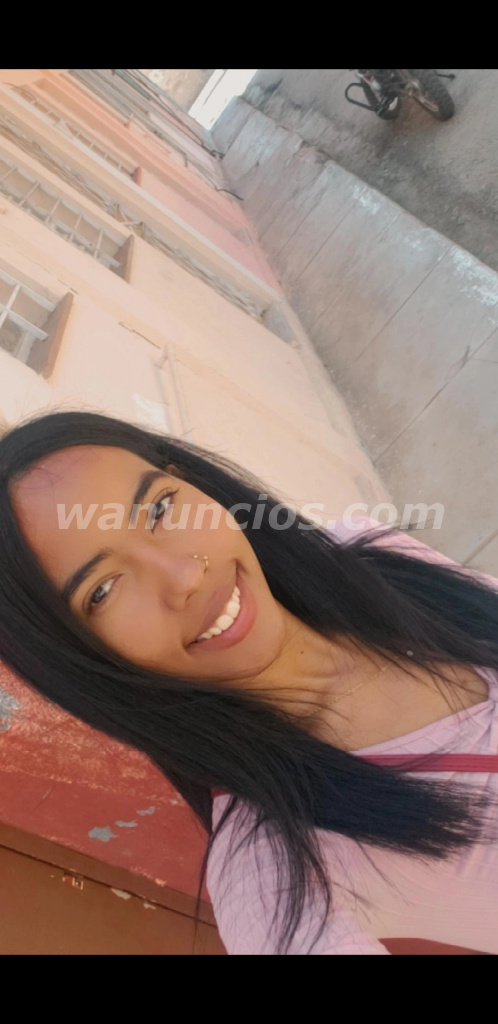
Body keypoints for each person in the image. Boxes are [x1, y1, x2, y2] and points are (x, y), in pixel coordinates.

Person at [0, 410, 497, 955]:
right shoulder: (275, 875)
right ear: (83, 660)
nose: (186, 576)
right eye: (102, 589)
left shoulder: (374, 559)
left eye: (160, 508)